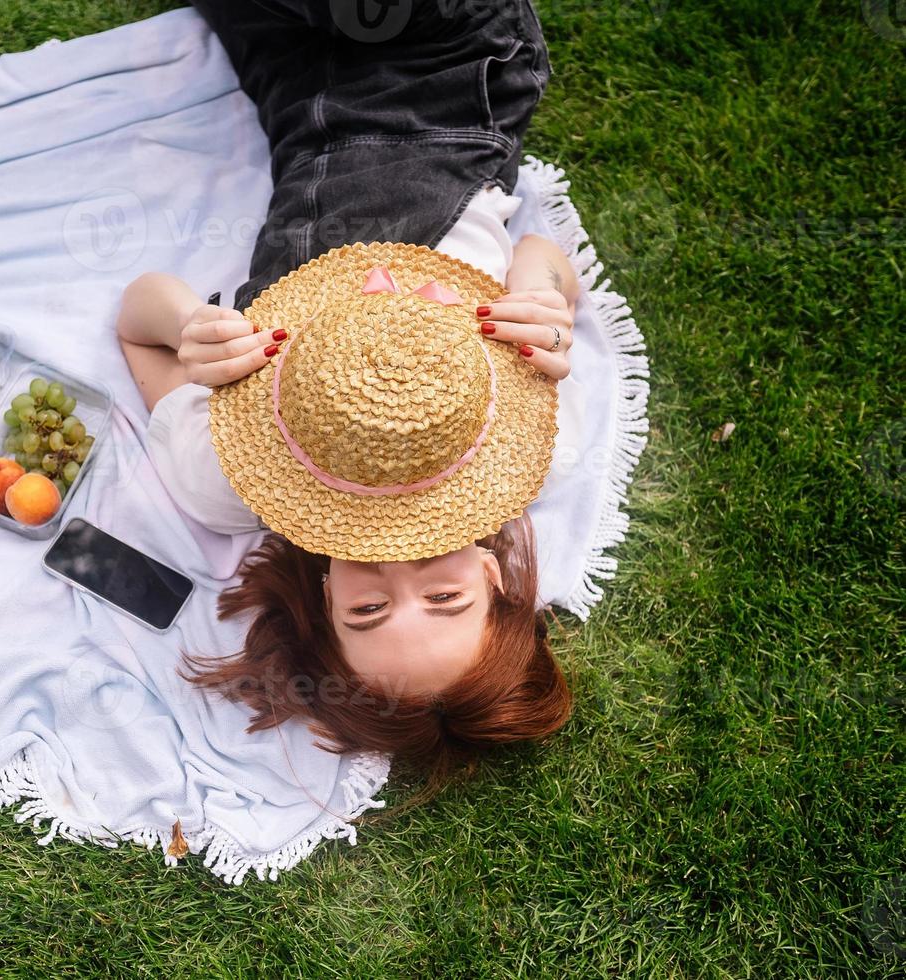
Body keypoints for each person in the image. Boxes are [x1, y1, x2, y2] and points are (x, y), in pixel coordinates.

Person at [114, 0, 578, 794]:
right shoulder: (523, 450)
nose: (396, 576)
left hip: (302, 102)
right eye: (443, 598)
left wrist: (190, 324)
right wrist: (541, 297)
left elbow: (136, 322)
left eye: (367, 614)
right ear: (492, 582)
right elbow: (539, 248)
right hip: (450, 84)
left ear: (324, 607)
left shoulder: (225, 478)